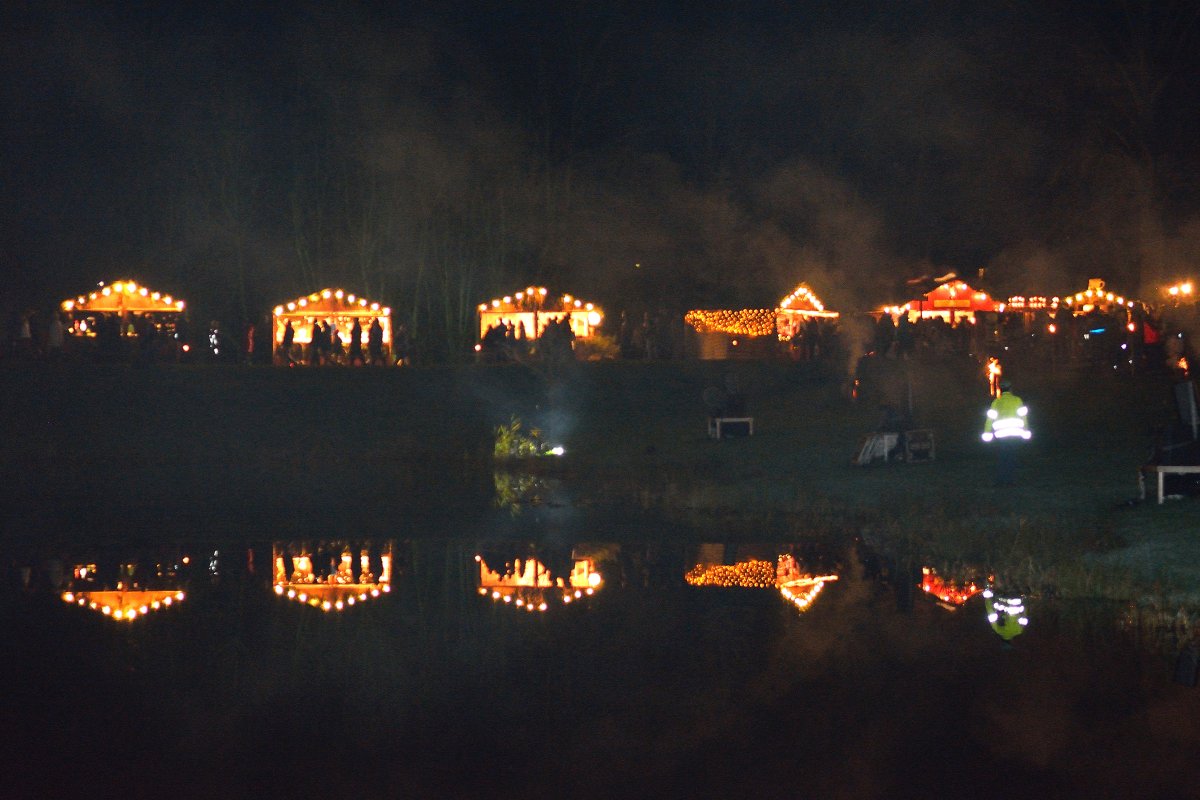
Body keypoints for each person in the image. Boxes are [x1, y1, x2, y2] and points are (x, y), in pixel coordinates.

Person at [981, 380, 1031, 486]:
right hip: (1015, 433)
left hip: (1001, 434)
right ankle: (1011, 480)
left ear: (1000, 390)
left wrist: (987, 432)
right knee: (1012, 456)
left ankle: (1001, 480)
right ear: (1011, 389)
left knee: (1003, 457)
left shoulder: (996, 402)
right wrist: (1026, 430)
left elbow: (990, 419)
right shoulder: (1017, 400)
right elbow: (1023, 416)